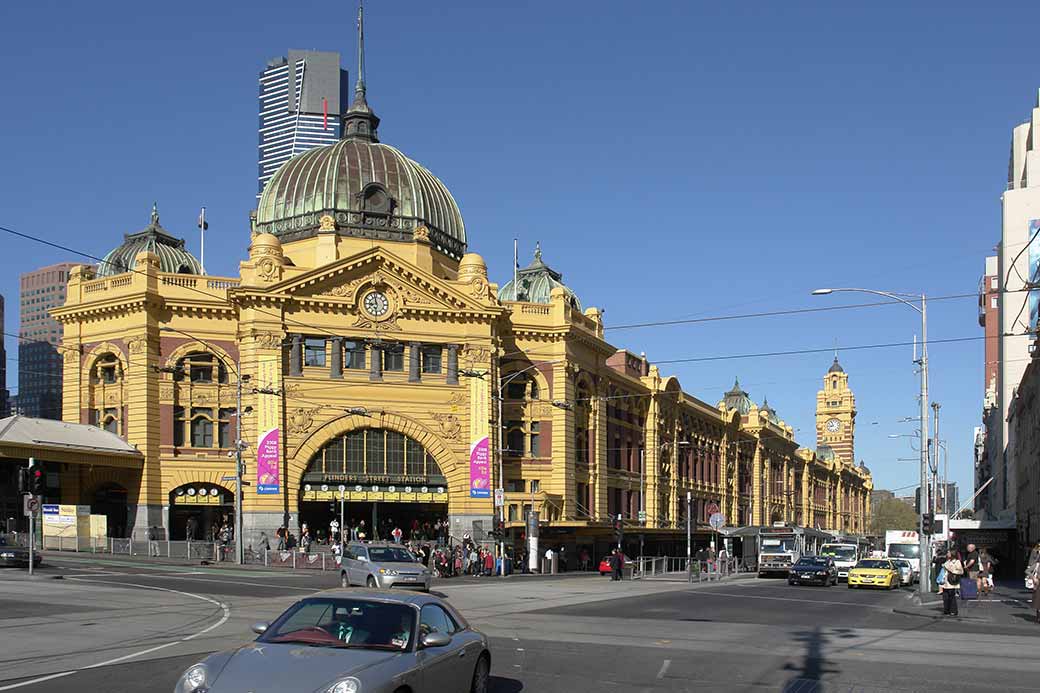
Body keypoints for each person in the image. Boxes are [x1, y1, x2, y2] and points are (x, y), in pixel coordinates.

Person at [939, 548, 965, 616]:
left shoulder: (957, 562)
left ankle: (953, 611)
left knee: (951, 596)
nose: (947, 554)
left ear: (952, 553)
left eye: (948, 552)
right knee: (945, 596)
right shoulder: (947, 561)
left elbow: (961, 571)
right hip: (945, 581)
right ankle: (946, 610)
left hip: (952, 581)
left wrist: (951, 570)